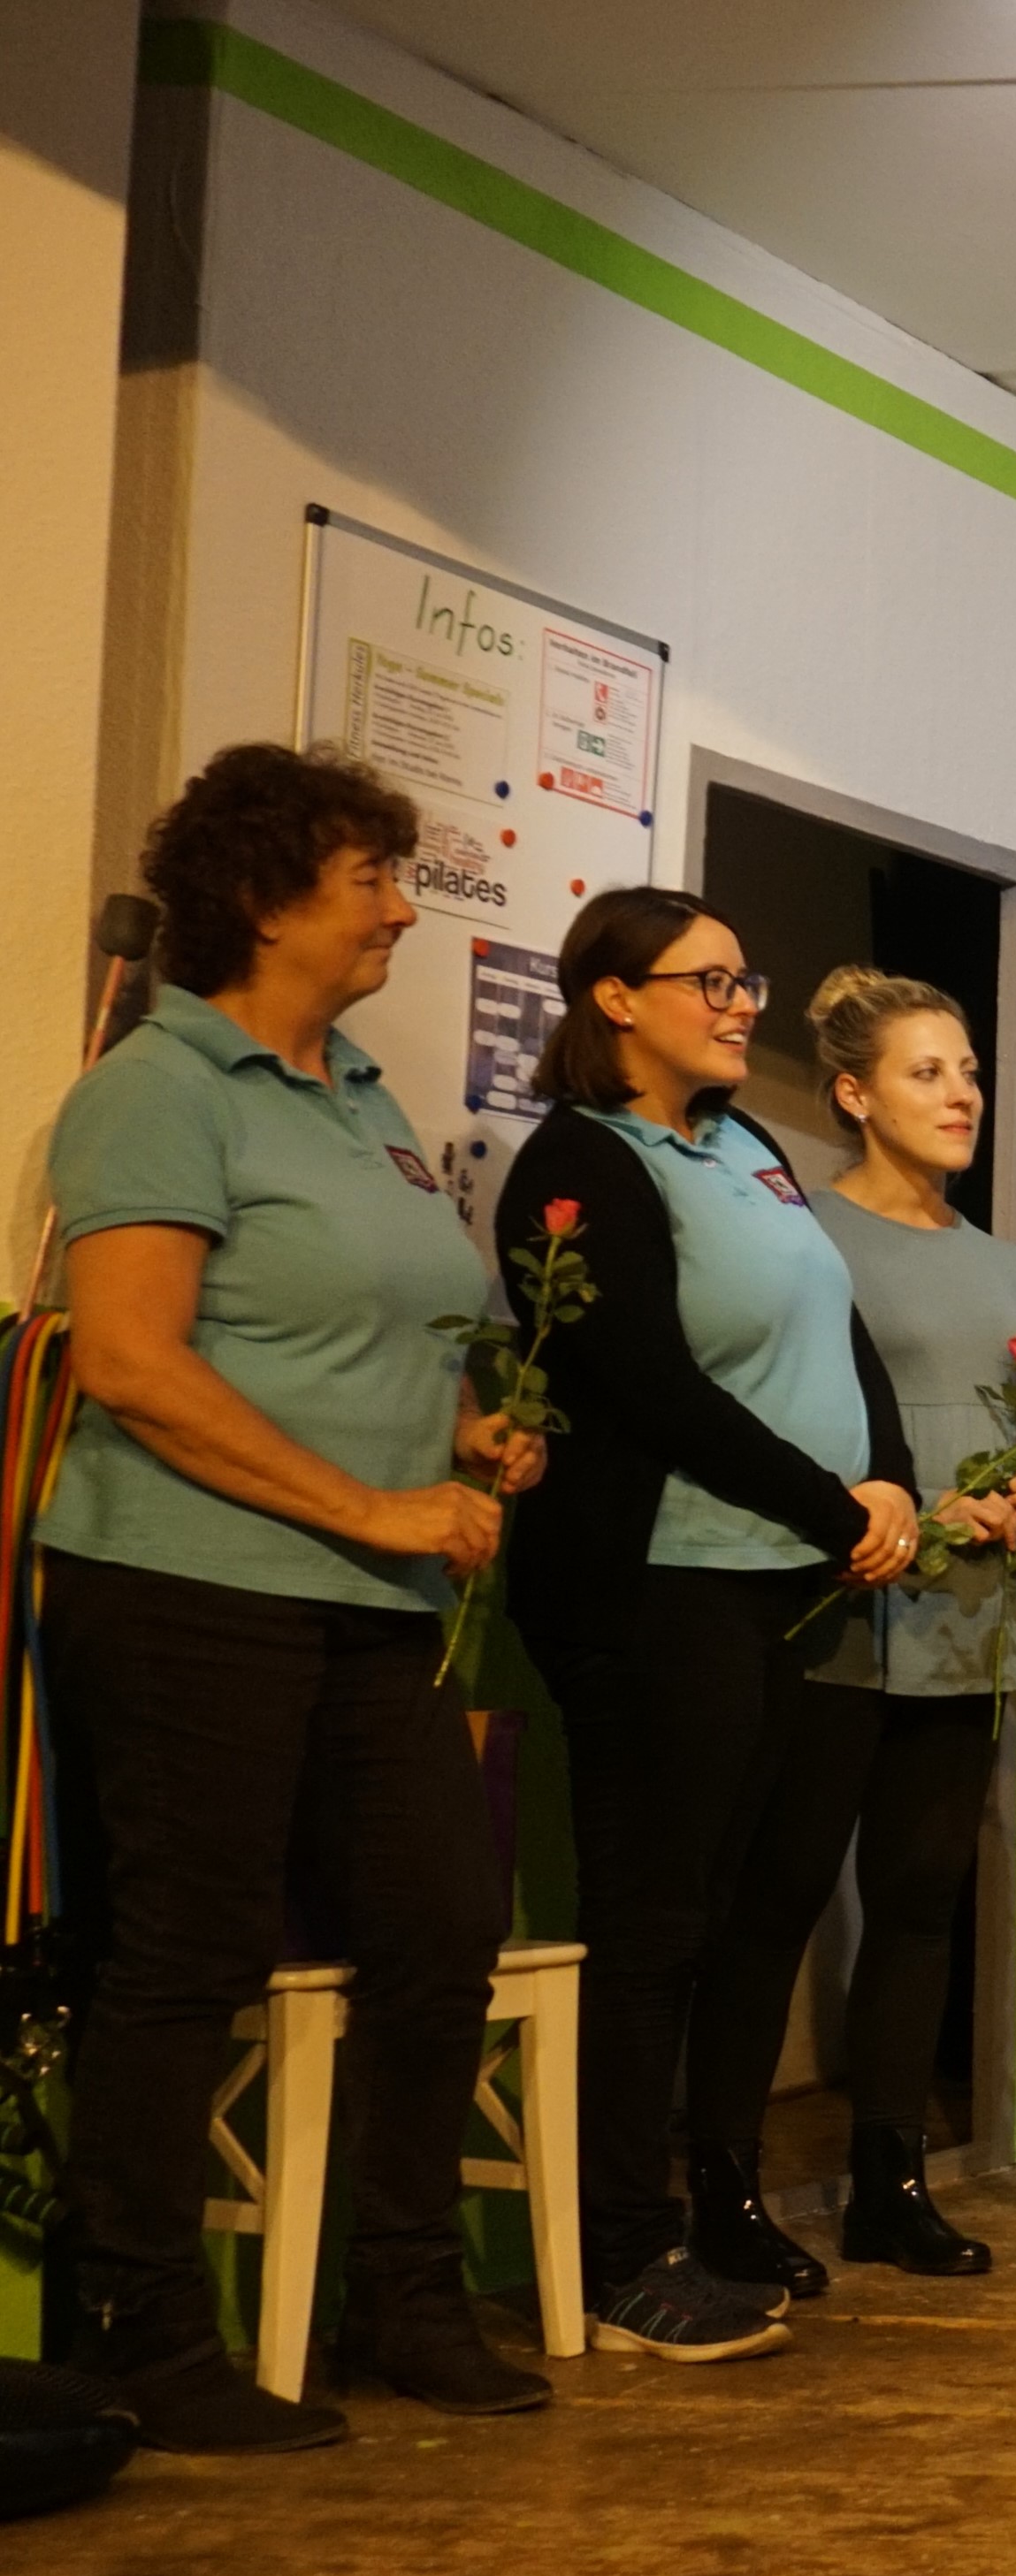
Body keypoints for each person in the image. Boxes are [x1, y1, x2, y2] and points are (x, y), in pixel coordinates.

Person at [39, 745, 554, 2449]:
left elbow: (363, 1326)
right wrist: (368, 1497)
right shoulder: (160, 1083)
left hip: (373, 1599)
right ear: (266, 898)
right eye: (372, 879)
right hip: (189, 1586)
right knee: (181, 1956)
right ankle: (138, 2320)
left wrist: (462, 1431)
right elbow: (126, 1358)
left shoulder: (356, 1093)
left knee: (436, 1925)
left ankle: (404, 2294)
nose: (405, 906)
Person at [501, 888, 921, 2362]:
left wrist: (895, 1485)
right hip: (657, 1584)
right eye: (715, 979)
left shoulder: (745, 1145)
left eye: (752, 976)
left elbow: (836, 1326)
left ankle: (696, 2209)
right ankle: (623, 2254)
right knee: (652, 1926)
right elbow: (648, 1384)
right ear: (617, 998)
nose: (747, 1003)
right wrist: (832, 1503)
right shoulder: (579, 1161)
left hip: (773, 1584)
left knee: (734, 1907)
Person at [690, 969, 1016, 2283]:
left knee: (919, 1902)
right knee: (777, 1897)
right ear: (851, 1094)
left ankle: (890, 2185)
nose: (960, 1093)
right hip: (839, 1608)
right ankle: (720, 2186)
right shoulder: (808, 1238)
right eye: (926, 1072)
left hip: (965, 1618)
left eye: (967, 1070)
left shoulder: (1004, 1263)